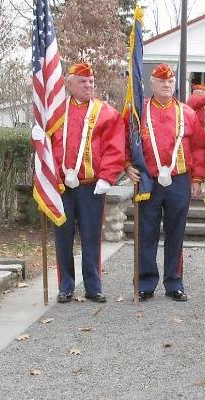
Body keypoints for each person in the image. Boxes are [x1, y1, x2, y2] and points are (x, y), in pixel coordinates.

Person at [125, 63, 205, 302]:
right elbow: (124, 140)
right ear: (151, 84)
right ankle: (145, 283)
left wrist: (197, 178)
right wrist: (127, 165)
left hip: (179, 179)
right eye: (162, 82)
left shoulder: (187, 113)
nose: (166, 85)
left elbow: (200, 147)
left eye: (170, 82)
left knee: (176, 232)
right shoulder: (139, 112)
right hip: (148, 180)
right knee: (146, 232)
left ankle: (174, 283)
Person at [52, 63, 125, 303]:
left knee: (92, 235)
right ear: (69, 84)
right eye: (83, 82)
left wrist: (107, 177)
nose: (88, 86)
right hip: (61, 186)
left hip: (91, 185)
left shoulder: (106, 112)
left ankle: (93, 285)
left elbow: (114, 148)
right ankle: (66, 285)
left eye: (91, 82)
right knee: (63, 236)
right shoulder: (54, 113)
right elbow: (47, 145)